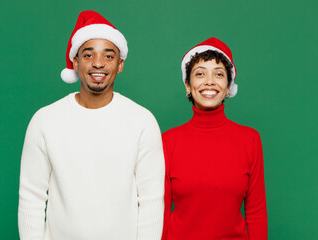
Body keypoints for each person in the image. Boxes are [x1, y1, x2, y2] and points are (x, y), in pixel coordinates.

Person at [18, 11, 165, 240]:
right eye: (88, 55)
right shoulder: (45, 120)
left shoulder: (142, 121)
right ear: (75, 62)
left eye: (108, 56)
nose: (98, 63)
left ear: (120, 65)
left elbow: (151, 200)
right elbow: (31, 196)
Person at [162, 37, 267, 240]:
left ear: (228, 87)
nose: (209, 81)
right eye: (200, 73)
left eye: (218, 74)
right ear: (187, 85)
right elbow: (162, 212)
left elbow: (256, 213)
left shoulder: (250, 139)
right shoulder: (168, 141)